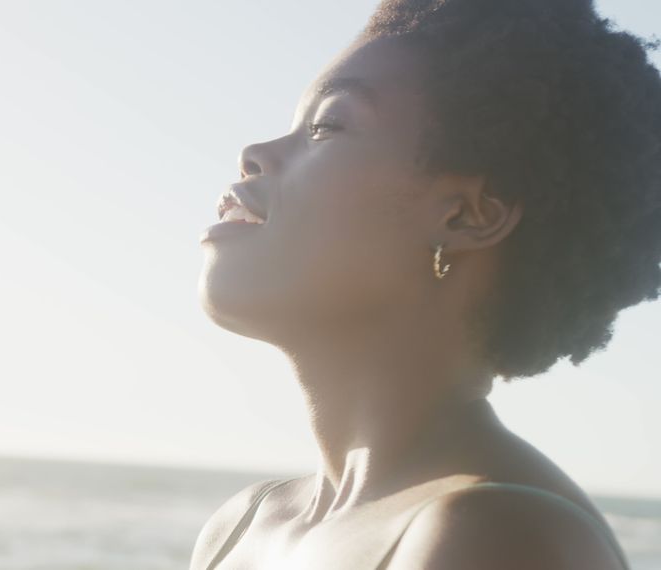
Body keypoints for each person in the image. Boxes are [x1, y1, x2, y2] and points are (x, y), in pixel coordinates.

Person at [192, 0, 661, 568]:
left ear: (466, 215)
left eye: (327, 125)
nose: (253, 155)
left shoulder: (498, 537)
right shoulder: (245, 526)